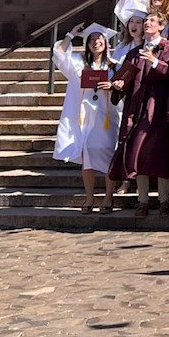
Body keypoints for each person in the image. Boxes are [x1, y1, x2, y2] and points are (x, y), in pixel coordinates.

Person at [108, 11, 169, 219]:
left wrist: (155, 62)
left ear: (161, 26)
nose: (147, 24)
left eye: (151, 21)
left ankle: (164, 201)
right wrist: (119, 86)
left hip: (157, 109)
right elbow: (126, 80)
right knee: (138, 154)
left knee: (159, 154)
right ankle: (143, 201)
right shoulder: (135, 52)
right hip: (136, 109)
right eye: (145, 21)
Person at [53, 24, 122, 213]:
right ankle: (89, 198)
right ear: (87, 44)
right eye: (92, 40)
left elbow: (124, 87)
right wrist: (70, 34)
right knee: (87, 157)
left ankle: (109, 196)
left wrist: (113, 86)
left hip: (108, 117)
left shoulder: (115, 65)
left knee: (109, 156)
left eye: (100, 39)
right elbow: (59, 54)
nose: (96, 42)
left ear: (106, 43)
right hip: (85, 118)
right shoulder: (77, 63)